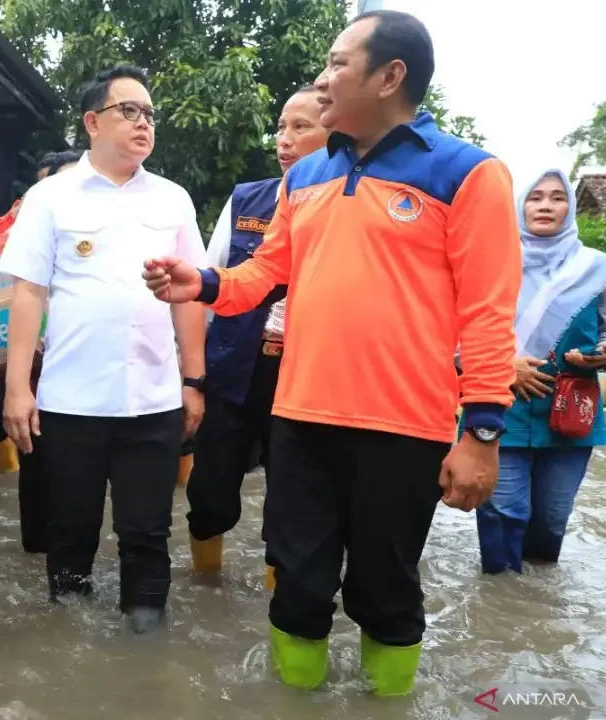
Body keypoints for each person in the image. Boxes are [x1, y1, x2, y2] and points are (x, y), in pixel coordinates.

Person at [142, 10, 521, 696]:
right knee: (298, 588)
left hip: (405, 429)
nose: (322, 79)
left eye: (338, 63)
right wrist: (200, 282)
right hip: (302, 418)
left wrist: (484, 433)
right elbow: (265, 273)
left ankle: (387, 703)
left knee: (386, 591)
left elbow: (489, 314)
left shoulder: (469, 173)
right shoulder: (306, 176)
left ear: (389, 77)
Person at [0, 64, 208, 635]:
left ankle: (143, 652)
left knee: (147, 532)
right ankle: (69, 646)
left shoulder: (172, 200)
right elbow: (28, 293)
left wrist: (194, 381)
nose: (144, 124)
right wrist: (18, 388)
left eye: (149, 115)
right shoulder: (50, 197)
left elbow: (191, 296)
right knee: (70, 529)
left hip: (153, 401)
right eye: (129, 112)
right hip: (71, 405)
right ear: (92, 122)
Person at [187, 84, 330, 583]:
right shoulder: (247, 198)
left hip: (306, 380)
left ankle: (280, 598)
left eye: (300, 127)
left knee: (292, 502)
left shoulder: (347, 202)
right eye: (281, 127)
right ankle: (206, 588)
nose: (284, 139)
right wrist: (195, 378)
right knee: (209, 493)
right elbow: (212, 276)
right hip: (234, 371)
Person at [473, 170, 606, 574]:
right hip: (501, 407)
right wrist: (503, 364)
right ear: (519, 206)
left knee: (552, 520)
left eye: (557, 198)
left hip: (572, 411)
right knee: (503, 514)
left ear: (569, 208)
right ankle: (502, 606)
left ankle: (536, 607)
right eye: (535, 197)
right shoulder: (490, 262)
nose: (545, 206)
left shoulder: (598, 267)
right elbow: (457, 330)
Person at [0, 150, 81, 553]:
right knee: (36, 454)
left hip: (86, 367)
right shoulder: (18, 232)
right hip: (32, 364)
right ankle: (40, 545)